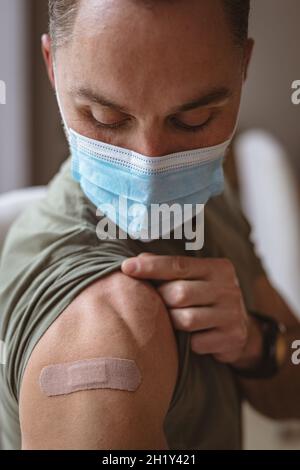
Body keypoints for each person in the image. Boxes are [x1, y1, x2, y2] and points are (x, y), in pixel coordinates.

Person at [0, 0, 299, 450]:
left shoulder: (206, 198)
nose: (152, 166)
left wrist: (256, 343)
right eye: (106, 118)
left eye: (192, 120)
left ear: (244, 69)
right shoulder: (101, 333)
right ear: (52, 68)